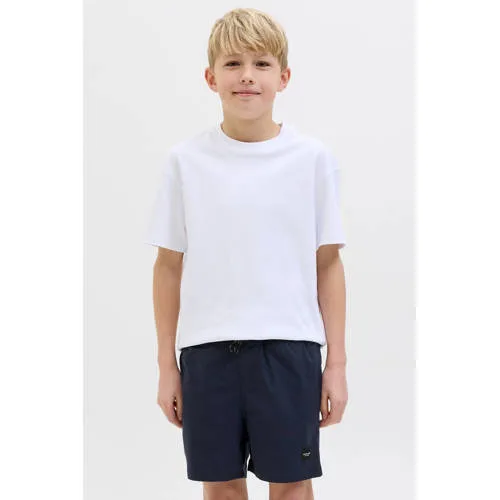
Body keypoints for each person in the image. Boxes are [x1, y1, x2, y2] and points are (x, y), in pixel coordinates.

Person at [144, 7, 348, 500]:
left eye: (261, 64)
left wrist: (336, 365)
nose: (247, 76)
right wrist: (167, 366)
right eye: (233, 64)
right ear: (211, 77)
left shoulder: (311, 159)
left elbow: (327, 264)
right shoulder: (186, 161)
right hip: (207, 352)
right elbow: (168, 267)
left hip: (289, 348)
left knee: (292, 484)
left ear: (284, 77)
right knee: (221, 486)